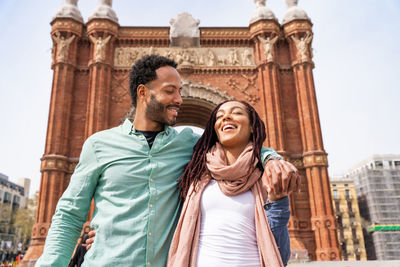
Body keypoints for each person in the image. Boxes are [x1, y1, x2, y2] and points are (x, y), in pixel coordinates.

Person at [36, 55, 299, 266]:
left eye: (180, 91)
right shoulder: (98, 145)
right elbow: (70, 214)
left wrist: (271, 158)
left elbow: (236, 145)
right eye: (170, 91)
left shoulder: (190, 144)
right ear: (143, 92)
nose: (179, 100)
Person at [167, 100, 290, 267]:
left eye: (237, 112)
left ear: (253, 127)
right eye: (220, 116)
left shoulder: (266, 175)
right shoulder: (197, 171)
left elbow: (278, 253)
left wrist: (271, 162)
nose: (226, 118)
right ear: (214, 130)